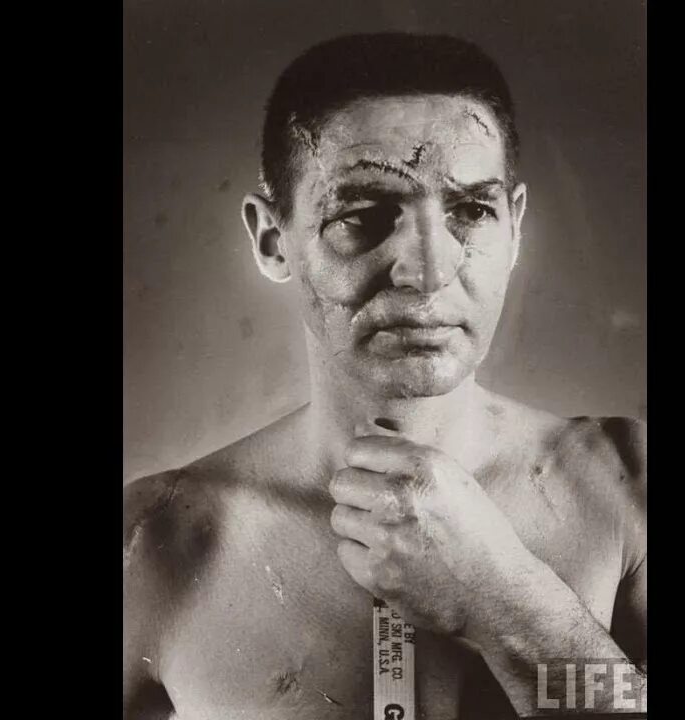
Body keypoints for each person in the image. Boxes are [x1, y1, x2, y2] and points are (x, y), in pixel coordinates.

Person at [123, 33, 646, 719]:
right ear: (273, 240)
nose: (428, 270)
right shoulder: (158, 541)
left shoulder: (625, 488)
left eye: (471, 212)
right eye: (362, 216)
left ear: (515, 227)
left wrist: (507, 602)